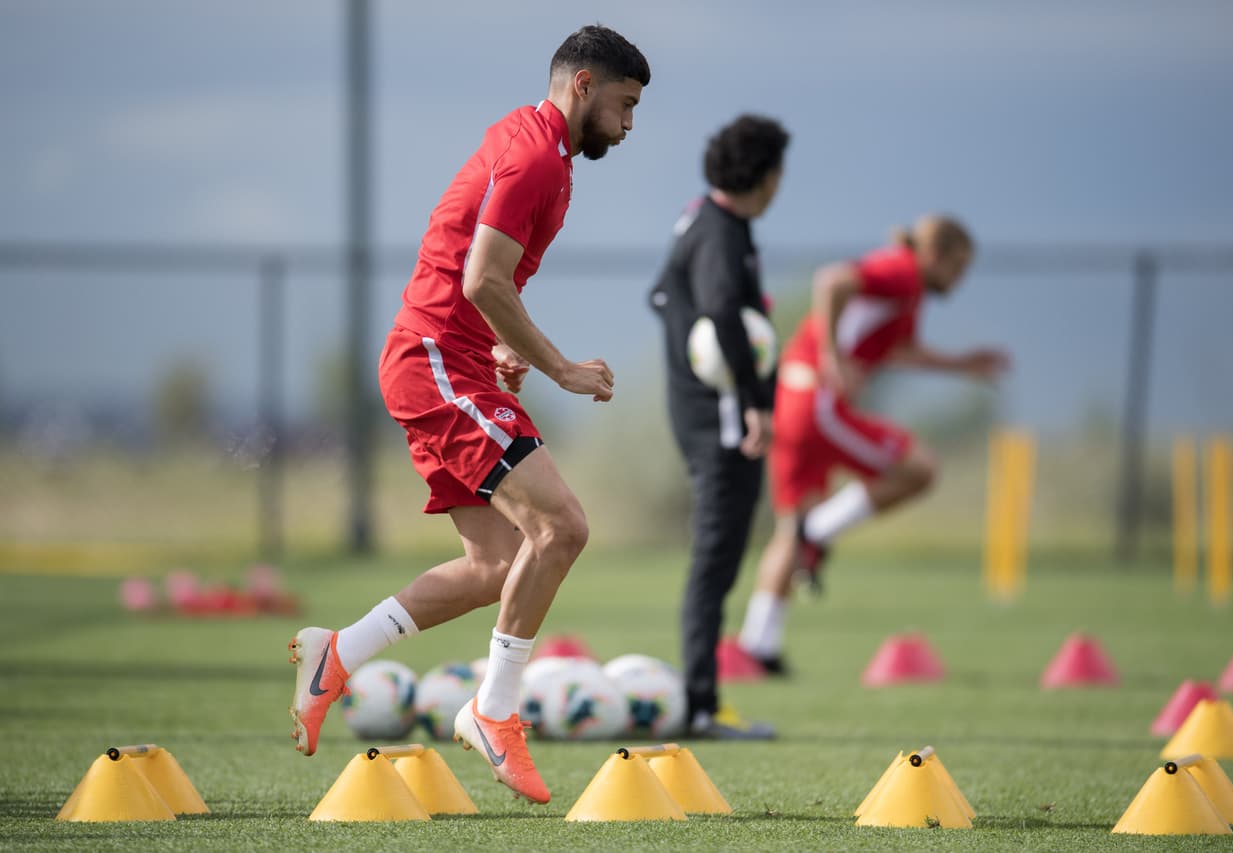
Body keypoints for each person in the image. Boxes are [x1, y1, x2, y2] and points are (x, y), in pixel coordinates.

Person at [287, 25, 649, 806]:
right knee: (562, 528)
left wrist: (500, 346)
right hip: (434, 362)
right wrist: (559, 368)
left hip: (450, 358)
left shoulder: (541, 151)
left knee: (496, 565)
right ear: (582, 84)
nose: (628, 126)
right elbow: (484, 278)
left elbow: (477, 275)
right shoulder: (530, 155)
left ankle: (340, 652)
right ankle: (493, 710)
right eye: (624, 105)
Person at [735, 215, 1008, 672]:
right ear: (936, 255)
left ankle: (756, 648)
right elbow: (832, 281)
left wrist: (962, 365)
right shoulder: (902, 270)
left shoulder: (908, 289)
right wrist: (833, 357)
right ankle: (820, 531)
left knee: (790, 528)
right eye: (958, 267)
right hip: (817, 399)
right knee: (920, 469)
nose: (959, 280)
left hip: (793, 397)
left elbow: (900, 351)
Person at [649, 115, 789, 739]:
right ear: (765, 176)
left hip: (699, 411)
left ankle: (701, 700)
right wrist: (754, 398)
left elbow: (660, 296)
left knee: (720, 557)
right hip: (723, 418)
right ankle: (701, 706)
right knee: (716, 558)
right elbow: (722, 311)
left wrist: (689, 347)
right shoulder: (724, 234)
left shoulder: (698, 217)